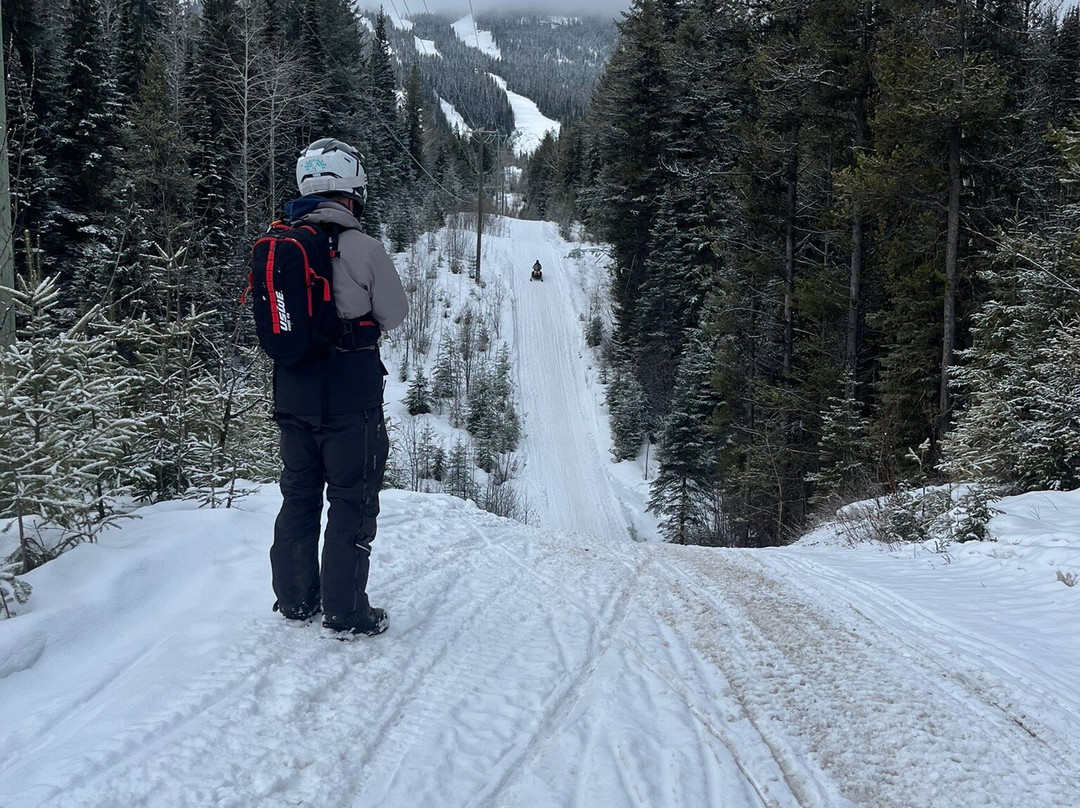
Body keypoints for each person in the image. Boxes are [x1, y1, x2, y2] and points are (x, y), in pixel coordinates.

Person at [270, 138, 408, 637]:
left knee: (299, 496)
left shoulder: (280, 244)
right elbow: (394, 315)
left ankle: (294, 600)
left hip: (291, 395)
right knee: (351, 500)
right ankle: (346, 610)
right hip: (351, 401)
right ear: (352, 190)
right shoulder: (364, 248)